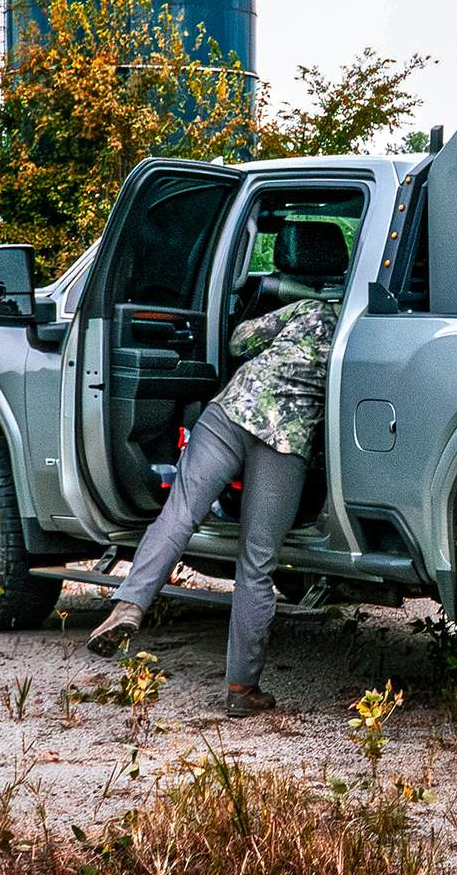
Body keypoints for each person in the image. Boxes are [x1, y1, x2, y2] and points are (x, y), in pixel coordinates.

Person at [86, 297, 338, 717]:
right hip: (287, 436)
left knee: (179, 513)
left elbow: (240, 340)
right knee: (256, 562)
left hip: (231, 410)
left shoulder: (311, 308)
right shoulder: (362, 329)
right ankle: (241, 690)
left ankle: (129, 606)